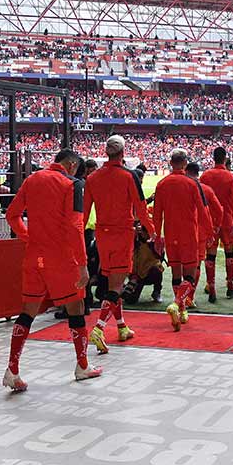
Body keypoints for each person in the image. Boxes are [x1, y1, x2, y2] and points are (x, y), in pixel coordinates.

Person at [2, 149, 103, 391]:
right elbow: (75, 226)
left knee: (27, 312)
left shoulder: (32, 178)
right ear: (71, 164)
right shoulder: (73, 184)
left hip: (34, 256)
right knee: (76, 310)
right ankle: (82, 366)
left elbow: (11, 215)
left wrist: (28, 237)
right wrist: (82, 264)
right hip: (62, 258)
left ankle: (12, 369)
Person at [83, 135, 157, 354]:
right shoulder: (129, 176)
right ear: (123, 152)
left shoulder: (93, 178)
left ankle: (122, 326)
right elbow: (141, 209)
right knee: (117, 285)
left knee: (114, 280)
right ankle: (99, 328)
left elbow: (85, 213)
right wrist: (152, 232)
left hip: (103, 235)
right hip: (123, 234)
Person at [153, 149, 206, 331]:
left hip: (170, 233)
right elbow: (202, 210)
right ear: (184, 164)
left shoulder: (162, 184)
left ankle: (182, 311)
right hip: (189, 234)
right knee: (190, 276)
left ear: (170, 163)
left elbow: (157, 214)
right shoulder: (191, 184)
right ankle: (177, 304)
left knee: (176, 274)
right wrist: (208, 232)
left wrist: (157, 235)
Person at [201, 146, 233, 300]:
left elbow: (202, 198)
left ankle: (211, 288)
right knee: (229, 252)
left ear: (213, 158)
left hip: (211, 220)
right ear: (225, 158)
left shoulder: (205, 175)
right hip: (226, 220)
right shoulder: (230, 177)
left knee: (210, 255)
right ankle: (230, 287)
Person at [187, 162, 223, 304]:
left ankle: (190, 296)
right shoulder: (207, 189)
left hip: (191, 232)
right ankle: (211, 286)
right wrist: (216, 227)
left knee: (194, 265)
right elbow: (219, 210)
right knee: (210, 259)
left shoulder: (186, 188)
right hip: (207, 231)